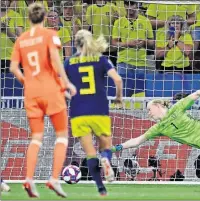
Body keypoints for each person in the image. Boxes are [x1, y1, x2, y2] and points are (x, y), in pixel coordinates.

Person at [9, 3, 76, 198]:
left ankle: (29, 178)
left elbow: (14, 68)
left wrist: (26, 82)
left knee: (36, 137)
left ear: (28, 18)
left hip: (31, 93)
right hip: (51, 91)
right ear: (45, 17)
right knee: (62, 135)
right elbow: (56, 60)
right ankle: (54, 179)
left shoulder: (21, 40)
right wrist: (66, 83)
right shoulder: (49, 34)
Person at [64, 29, 123, 196]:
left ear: (76, 43)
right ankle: (106, 158)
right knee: (106, 147)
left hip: (78, 112)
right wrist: (118, 98)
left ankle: (101, 188)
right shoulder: (101, 59)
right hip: (99, 109)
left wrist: (69, 95)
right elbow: (118, 79)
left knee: (90, 153)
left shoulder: (69, 62)